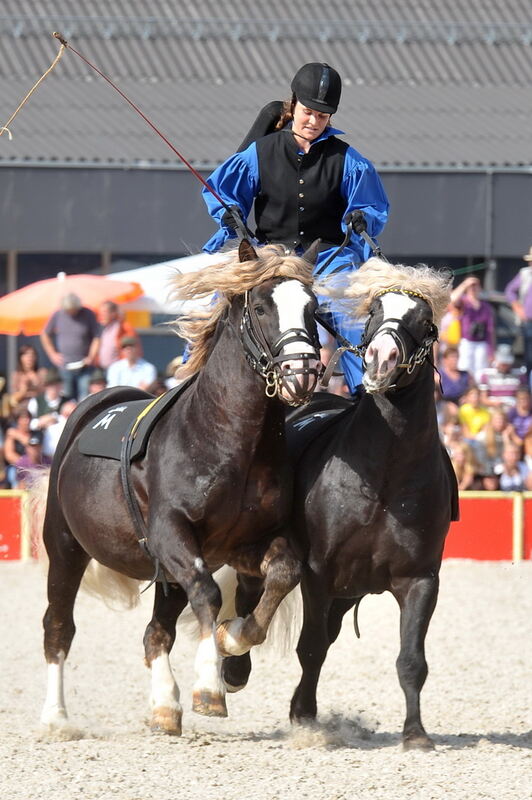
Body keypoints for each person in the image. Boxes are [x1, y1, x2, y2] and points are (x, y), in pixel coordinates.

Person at [201, 62, 389, 392]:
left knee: (354, 318)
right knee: (215, 306)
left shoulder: (350, 161)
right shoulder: (258, 154)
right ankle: (193, 382)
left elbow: (370, 206)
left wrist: (361, 217)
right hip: (270, 258)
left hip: (329, 260)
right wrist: (230, 212)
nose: (313, 122)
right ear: (293, 105)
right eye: (308, 112)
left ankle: (367, 398)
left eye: (322, 116)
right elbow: (225, 192)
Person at [40, 292, 101, 401]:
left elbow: (97, 337)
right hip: (65, 365)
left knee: (85, 397)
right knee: (67, 398)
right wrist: (52, 354)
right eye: (69, 311)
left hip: (84, 365)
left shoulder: (88, 314)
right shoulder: (58, 315)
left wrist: (91, 356)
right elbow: (45, 334)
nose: (71, 313)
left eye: (73, 310)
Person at [450, 275, 495, 381]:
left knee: (481, 370)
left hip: (481, 342)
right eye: (471, 287)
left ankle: (478, 393)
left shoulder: (485, 306)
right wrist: (465, 284)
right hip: (466, 341)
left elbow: (490, 329)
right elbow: (452, 299)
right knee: (464, 367)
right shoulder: (464, 301)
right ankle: (466, 392)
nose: (473, 288)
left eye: (476, 286)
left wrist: (491, 350)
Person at [504, 246, 532, 375]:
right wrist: (517, 307)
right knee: (529, 357)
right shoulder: (525, 274)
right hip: (528, 322)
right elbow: (510, 291)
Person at [478, 343, 527, 410]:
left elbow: (523, 397)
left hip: (513, 409)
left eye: (507, 363)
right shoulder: (486, 374)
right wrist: (495, 403)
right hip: (493, 409)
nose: (505, 366)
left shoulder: (520, 374)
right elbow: (483, 399)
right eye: (503, 363)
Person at [97, 300, 139, 371]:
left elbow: (132, 348)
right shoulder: (101, 328)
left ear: (113, 313)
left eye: (104, 312)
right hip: (101, 368)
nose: (101, 315)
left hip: (118, 369)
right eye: (100, 312)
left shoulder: (123, 327)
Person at [3, 404, 33, 488]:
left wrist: (19, 436)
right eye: (23, 418)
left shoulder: (36, 433)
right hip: (17, 466)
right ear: (18, 420)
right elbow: (9, 455)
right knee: (13, 473)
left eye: (28, 418)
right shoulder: (11, 434)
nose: (26, 421)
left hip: (33, 466)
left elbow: (36, 452)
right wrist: (24, 465)